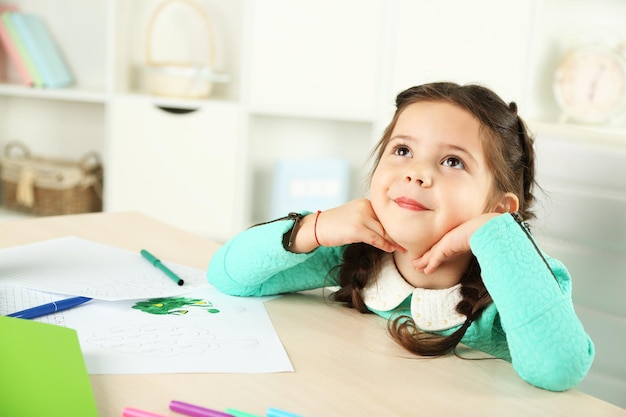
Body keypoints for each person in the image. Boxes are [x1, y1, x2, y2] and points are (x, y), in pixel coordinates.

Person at [207, 82, 594, 391]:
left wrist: (495, 234)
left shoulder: (523, 281)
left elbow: (559, 369)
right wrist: (314, 227)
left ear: (498, 209)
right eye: (403, 150)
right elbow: (228, 276)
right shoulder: (353, 256)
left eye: (452, 161)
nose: (416, 172)